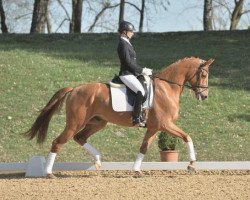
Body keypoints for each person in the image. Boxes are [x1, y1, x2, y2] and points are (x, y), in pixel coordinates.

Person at [117, 21, 152, 127]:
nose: (132, 33)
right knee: (140, 91)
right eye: (131, 31)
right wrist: (141, 70)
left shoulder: (127, 42)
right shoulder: (122, 44)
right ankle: (136, 118)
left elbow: (132, 62)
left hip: (132, 73)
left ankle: (143, 113)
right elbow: (128, 63)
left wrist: (142, 71)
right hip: (126, 74)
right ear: (124, 32)